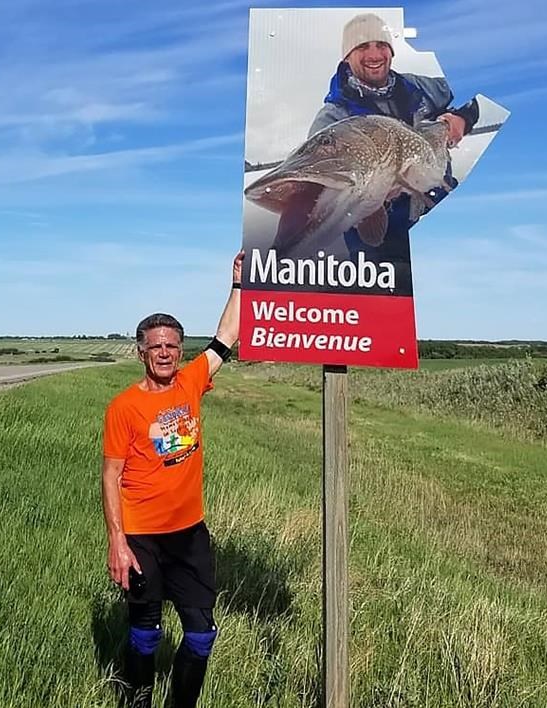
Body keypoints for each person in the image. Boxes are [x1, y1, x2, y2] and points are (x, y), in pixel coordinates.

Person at [101, 252, 243, 707]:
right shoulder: (124, 407)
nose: (164, 352)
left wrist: (238, 284)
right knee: (146, 631)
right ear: (141, 351)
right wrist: (117, 541)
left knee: (201, 634)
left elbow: (226, 338)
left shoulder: (191, 381)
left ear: (180, 350)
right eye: (155, 346)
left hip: (190, 534)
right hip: (142, 536)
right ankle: (137, 697)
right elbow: (111, 475)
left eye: (172, 345)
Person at [276, 12, 480, 292]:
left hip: (442, 209)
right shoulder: (333, 118)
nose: (374, 54)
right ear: (346, 56)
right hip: (381, 241)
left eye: (381, 45)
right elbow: (316, 186)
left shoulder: (421, 87)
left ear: (391, 51)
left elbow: (476, 100)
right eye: (362, 46)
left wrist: (460, 119)